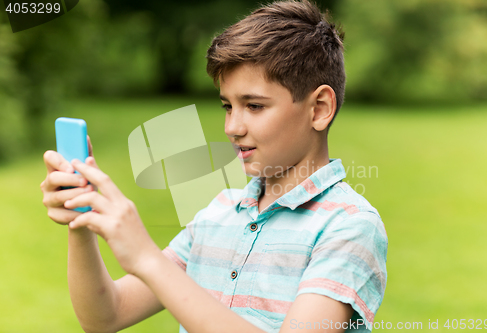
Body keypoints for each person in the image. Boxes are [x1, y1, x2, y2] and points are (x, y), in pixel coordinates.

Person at [40, 0, 388, 332]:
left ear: (319, 108)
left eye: (253, 106)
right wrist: (81, 219)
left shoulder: (349, 226)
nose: (232, 128)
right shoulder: (217, 215)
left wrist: (148, 259)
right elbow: (105, 317)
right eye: (227, 106)